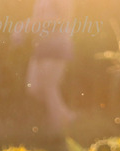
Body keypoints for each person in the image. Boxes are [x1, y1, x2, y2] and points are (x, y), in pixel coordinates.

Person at [18, 0, 76, 133]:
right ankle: (65, 115)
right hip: (40, 47)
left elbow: (64, 19)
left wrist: (33, 23)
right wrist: (23, 29)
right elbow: (37, 19)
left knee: (49, 86)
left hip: (57, 46)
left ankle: (58, 128)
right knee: (33, 87)